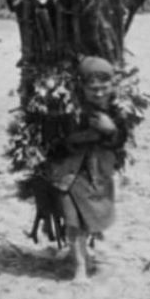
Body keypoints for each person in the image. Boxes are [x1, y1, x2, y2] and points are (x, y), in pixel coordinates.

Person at [46, 56, 127, 282]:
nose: (99, 94)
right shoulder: (70, 111)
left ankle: (82, 253)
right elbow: (54, 141)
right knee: (74, 221)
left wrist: (111, 130)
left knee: (92, 216)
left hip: (99, 173)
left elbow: (121, 140)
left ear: (112, 86)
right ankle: (80, 267)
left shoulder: (116, 111)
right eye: (93, 89)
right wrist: (80, 138)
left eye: (104, 88)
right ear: (82, 88)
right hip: (71, 173)